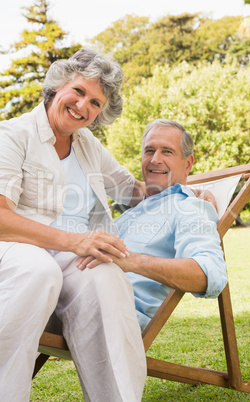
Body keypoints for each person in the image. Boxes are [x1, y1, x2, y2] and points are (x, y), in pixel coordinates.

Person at [0, 47, 147, 402]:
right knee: (39, 271)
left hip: (71, 255)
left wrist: (184, 191)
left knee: (106, 276)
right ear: (59, 85)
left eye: (96, 103)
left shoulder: (88, 144)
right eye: (79, 91)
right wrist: (73, 241)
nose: (84, 106)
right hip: (18, 249)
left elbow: (133, 191)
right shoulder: (13, 134)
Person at [79, 119, 228, 331]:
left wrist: (130, 260)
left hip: (110, 312)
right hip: (76, 292)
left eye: (167, 152)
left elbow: (209, 274)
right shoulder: (136, 210)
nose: (155, 160)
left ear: (187, 164)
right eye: (149, 151)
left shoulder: (189, 207)